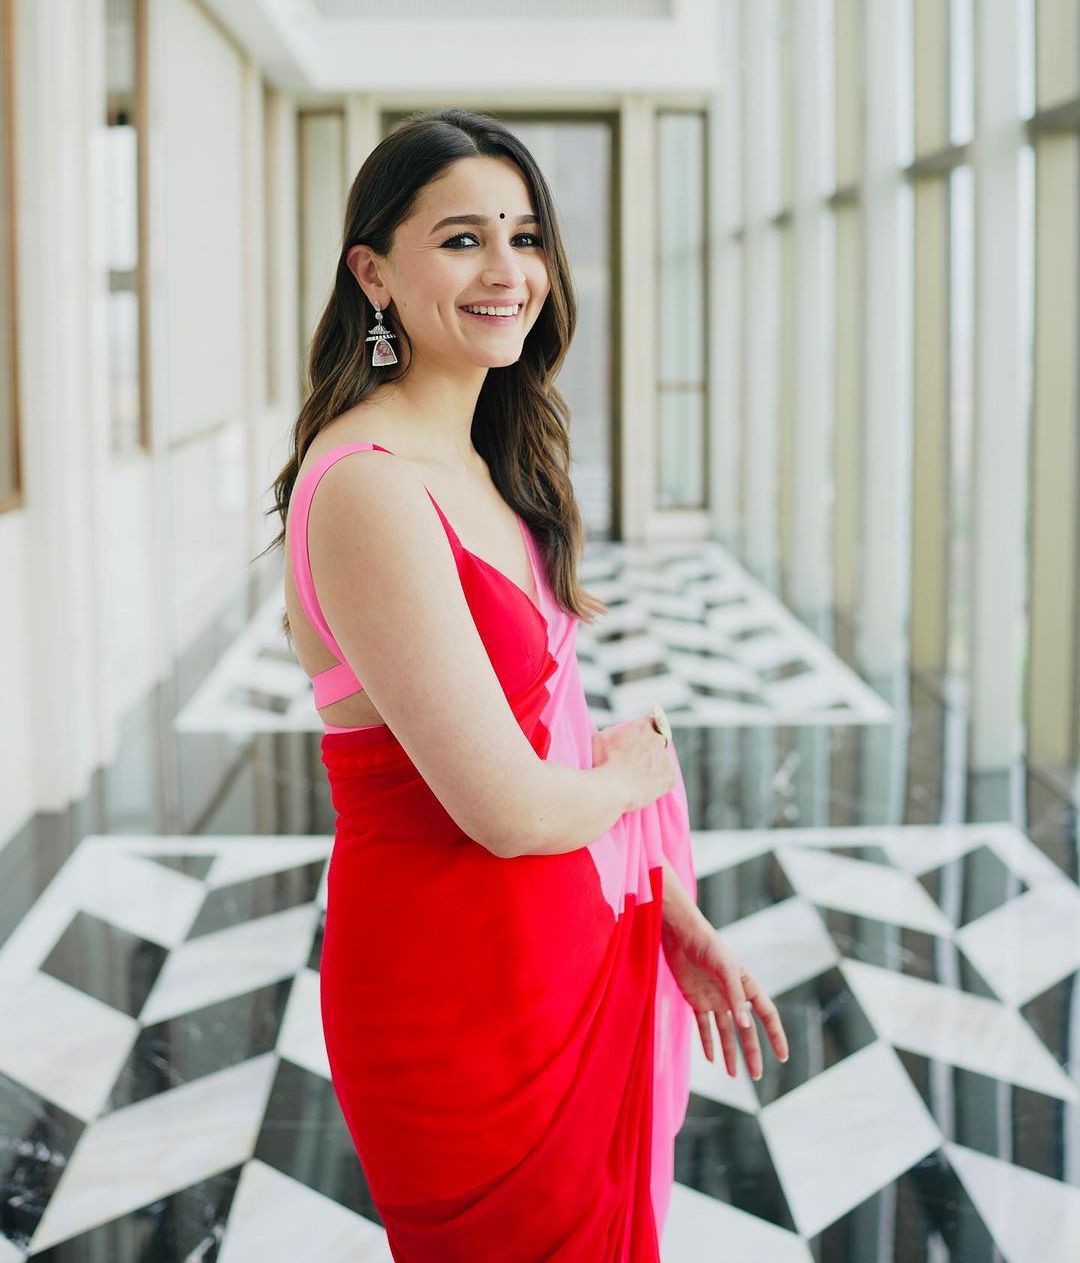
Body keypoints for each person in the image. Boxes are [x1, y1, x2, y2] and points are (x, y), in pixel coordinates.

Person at [266, 107, 789, 1261]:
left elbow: (540, 742)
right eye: (461, 239)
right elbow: (505, 809)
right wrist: (638, 768)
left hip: (572, 951)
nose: (509, 269)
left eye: (526, 233)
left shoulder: (484, 457)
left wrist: (664, 914)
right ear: (375, 273)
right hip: (459, 1004)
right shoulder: (368, 489)